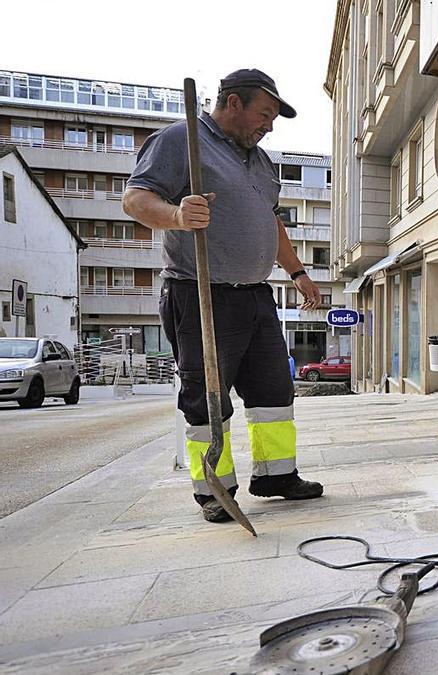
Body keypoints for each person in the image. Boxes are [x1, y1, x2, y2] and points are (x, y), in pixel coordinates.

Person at [123, 69, 323, 523]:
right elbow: (135, 199)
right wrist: (176, 214)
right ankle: (214, 487)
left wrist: (297, 272)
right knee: (207, 396)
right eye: (265, 114)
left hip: (255, 295)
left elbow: (270, 222)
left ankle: (276, 475)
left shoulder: (260, 160)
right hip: (200, 293)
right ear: (233, 103)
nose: (269, 125)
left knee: (274, 390)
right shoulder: (182, 141)